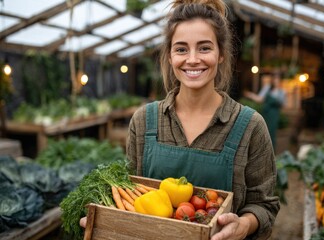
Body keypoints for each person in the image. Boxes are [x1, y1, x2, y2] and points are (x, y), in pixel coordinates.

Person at [80, 0, 279, 239]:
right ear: (170, 55)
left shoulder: (249, 126)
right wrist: (105, 221)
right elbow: (132, 195)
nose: (192, 59)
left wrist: (244, 225)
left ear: (222, 54)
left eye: (204, 48)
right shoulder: (144, 121)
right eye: (181, 49)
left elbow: (265, 206)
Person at [244, 73, 286, 150]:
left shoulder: (282, 92)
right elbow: (259, 99)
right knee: (264, 132)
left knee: (272, 133)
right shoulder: (267, 88)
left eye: (278, 79)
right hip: (266, 113)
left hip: (274, 114)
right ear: (272, 80)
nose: (276, 81)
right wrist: (250, 95)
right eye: (275, 79)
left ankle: (272, 151)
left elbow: (283, 105)